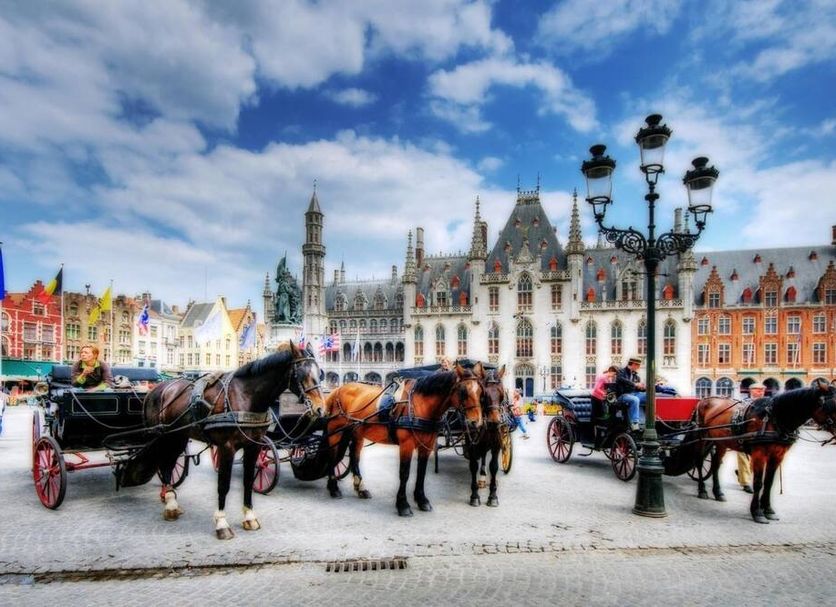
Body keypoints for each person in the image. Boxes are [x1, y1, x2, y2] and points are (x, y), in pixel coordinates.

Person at [736, 382, 766, 494]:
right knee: (743, 456)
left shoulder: (767, 403)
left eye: (762, 390)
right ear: (751, 391)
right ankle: (745, 483)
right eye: (758, 389)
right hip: (745, 433)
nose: (761, 392)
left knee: (756, 459)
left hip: (760, 435)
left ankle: (742, 473)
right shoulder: (744, 403)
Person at [615, 357, 646, 431]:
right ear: (633, 364)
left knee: (650, 397)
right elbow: (621, 379)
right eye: (638, 365)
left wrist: (642, 388)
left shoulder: (636, 376)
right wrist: (635, 384)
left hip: (635, 394)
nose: (639, 367)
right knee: (635, 400)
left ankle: (651, 420)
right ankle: (635, 423)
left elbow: (637, 389)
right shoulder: (621, 371)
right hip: (623, 395)